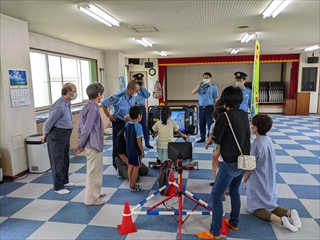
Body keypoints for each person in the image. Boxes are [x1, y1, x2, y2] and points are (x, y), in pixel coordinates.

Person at [197, 86, 250, 240]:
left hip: (230, 162)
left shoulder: (224, 116)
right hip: (244, 161)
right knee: (234, 191)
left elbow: (217, 139)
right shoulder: (243, 114)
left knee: (216, 195)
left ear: (225, 100)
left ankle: (214, 232)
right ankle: (234, 222)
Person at [243, 114, 301, 232]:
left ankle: (281, 220)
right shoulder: (268, 140)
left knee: (255, 208)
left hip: (257, 178)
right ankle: (289, 213)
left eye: (252, 124)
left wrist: (245, 177)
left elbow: (250, 166)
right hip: (268, 175)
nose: (250, 126)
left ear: (255, 128)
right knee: (270, 204)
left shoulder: (256, 144)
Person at [41, 83, 77, 194]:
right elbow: (49, 121)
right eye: (74, 91)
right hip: (57, 135)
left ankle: (64, 181)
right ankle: (58, 187)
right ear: (68, 93)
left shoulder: (67, 103)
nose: (75, 93)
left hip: (65, 134)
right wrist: (44, 135)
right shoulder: (59, 105)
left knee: (65, 159)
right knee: (57, 160)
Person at [73, 83, 106, 206]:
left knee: (97, 171)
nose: (102, 95)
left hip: (93, 143)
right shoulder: (92, 108)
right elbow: (86, 128)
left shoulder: (88, 106)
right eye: (101, 93)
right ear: (98, 94)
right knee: (93, 173)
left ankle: (95, 193)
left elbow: (81, 127)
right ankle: (91, 199)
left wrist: (81, 143)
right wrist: (81, 144)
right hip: (93, 144)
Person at [101, 81, 140, 172]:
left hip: (128, 122)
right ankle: (117, 166)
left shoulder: (133, 97)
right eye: (136, 90)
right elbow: (103, 103)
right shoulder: (118, 96)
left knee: (128, 143)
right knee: (118, 144)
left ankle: (126, 163)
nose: (137, 93)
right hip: (118, 122)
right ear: (130, 89)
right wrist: (108, 116)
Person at [116, 114, 149, 181]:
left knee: (145, 171)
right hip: (122, 159)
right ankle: (120, 170)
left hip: (132, 155)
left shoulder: (136, 130)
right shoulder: (121, 135)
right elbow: (120, 154)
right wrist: (129, 164)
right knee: (136, 178)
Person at [192, 72, 219, 143]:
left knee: (210, 124)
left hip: (210, 108)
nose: (205, 79)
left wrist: (216, 108)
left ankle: (210, 139)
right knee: (201, 123)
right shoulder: (200, 86)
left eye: (207, 78)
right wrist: (198, 85)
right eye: (204, 77)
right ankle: (202, 137)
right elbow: (193, 92)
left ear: (210, 78)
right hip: (201, 108)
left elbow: (216, 98)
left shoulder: (214, 87)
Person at [205, 103, 226, 188]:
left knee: (215, 161)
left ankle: (217, 180)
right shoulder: (228, 124)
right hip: (227, 149)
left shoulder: (214, 125)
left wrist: (207, 144)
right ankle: (225, 186)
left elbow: (210, 137)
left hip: (218, 148)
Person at [124, 106, 145, 191]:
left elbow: (125, 136)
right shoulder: (138, 126)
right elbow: (138, 140)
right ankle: (133, 186)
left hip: (128, 150)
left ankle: (130, 184)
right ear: (139, 115)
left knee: (130, 167)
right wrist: (142, 151)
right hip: (136, 151)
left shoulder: (127, 124)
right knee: (136, 168)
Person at [133, 73, 153, 149]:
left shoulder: (142, 90)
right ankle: (138, 143)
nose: (139, 82)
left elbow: (147, 95)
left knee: (145, 126)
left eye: (140, 80)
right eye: (137, 81)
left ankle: (147, 143)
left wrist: (142, 87)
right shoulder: (132, 89)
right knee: (136, 126)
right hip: (134, 108)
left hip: (141, 108)